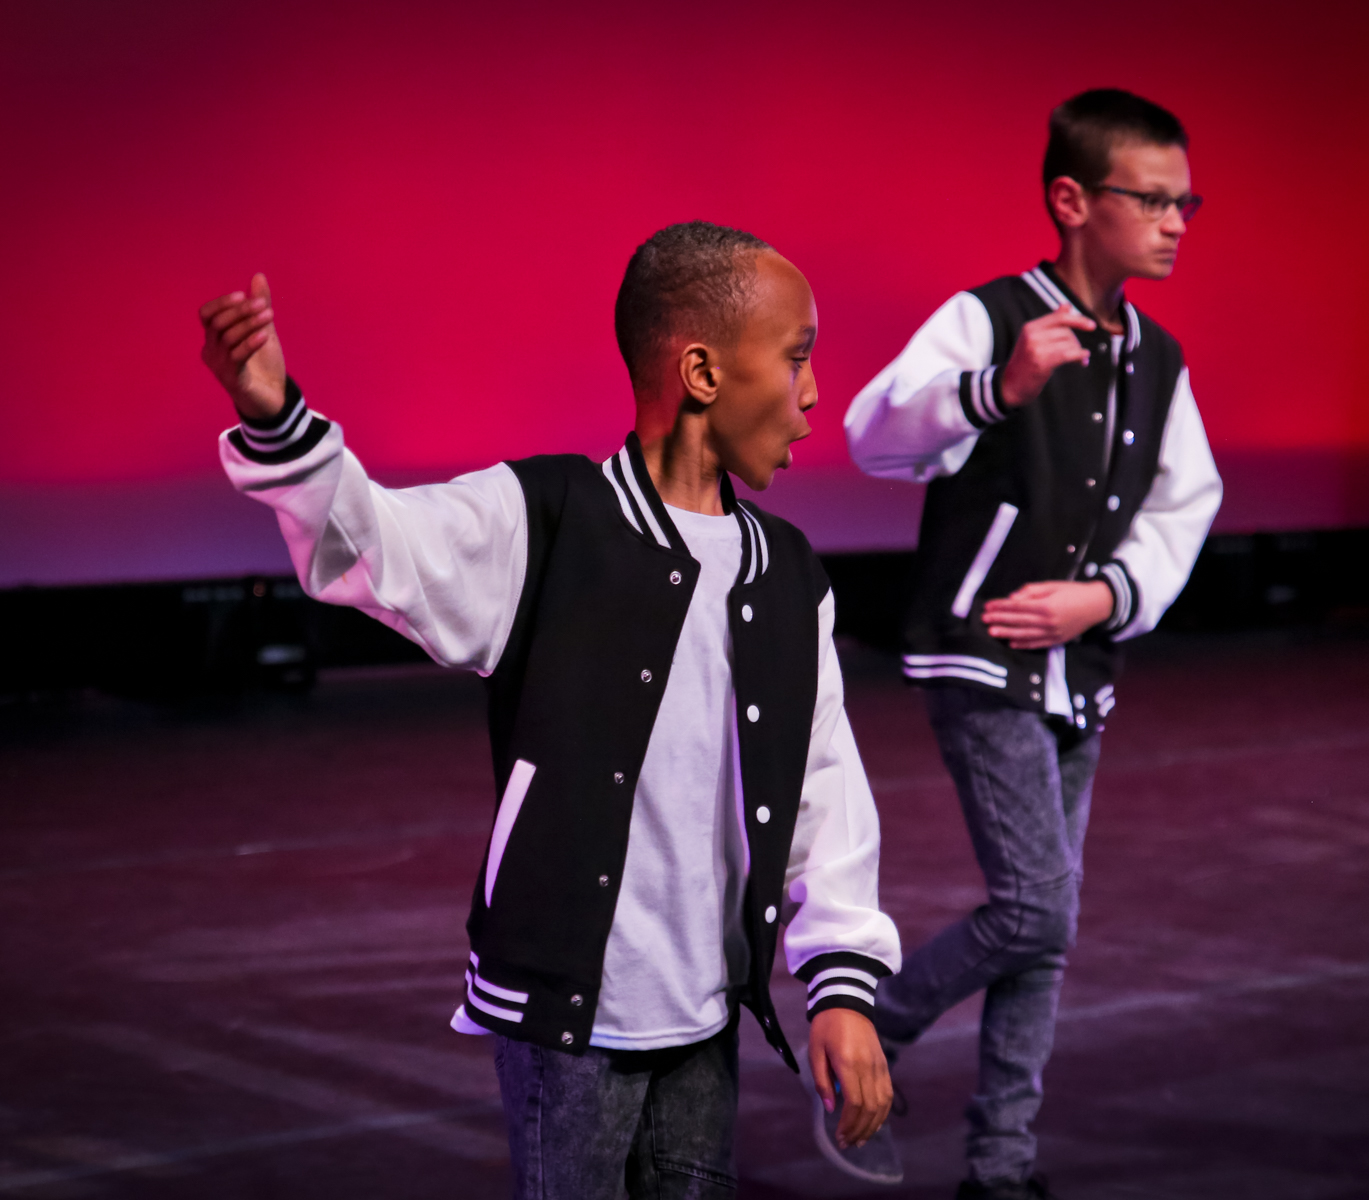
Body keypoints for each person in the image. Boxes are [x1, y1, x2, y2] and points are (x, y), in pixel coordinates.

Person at [197, 221, 900, 1199]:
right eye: (796, 357)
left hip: (706, 1018)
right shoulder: (546, 518)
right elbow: (381, 545)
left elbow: (825, 791)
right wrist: (281, 422)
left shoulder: (786, 574)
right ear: (702, 371)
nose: (814, 393)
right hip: (569, 1021)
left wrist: (842, 986)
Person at [841, 89, 1224, 1198]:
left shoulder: (1160, 358)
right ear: (1072, 200)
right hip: (981, 653)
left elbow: (1182, 506)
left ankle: (1000, 1168)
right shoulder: (991, 317)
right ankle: (876, 1033)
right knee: (1034, 907)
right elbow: (875, 434)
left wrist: (1103, 599)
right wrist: (995, 389)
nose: (1175, 220)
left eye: (1184, 200)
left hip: (1076, 667)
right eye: (1151, 199)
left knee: (1043, 931)